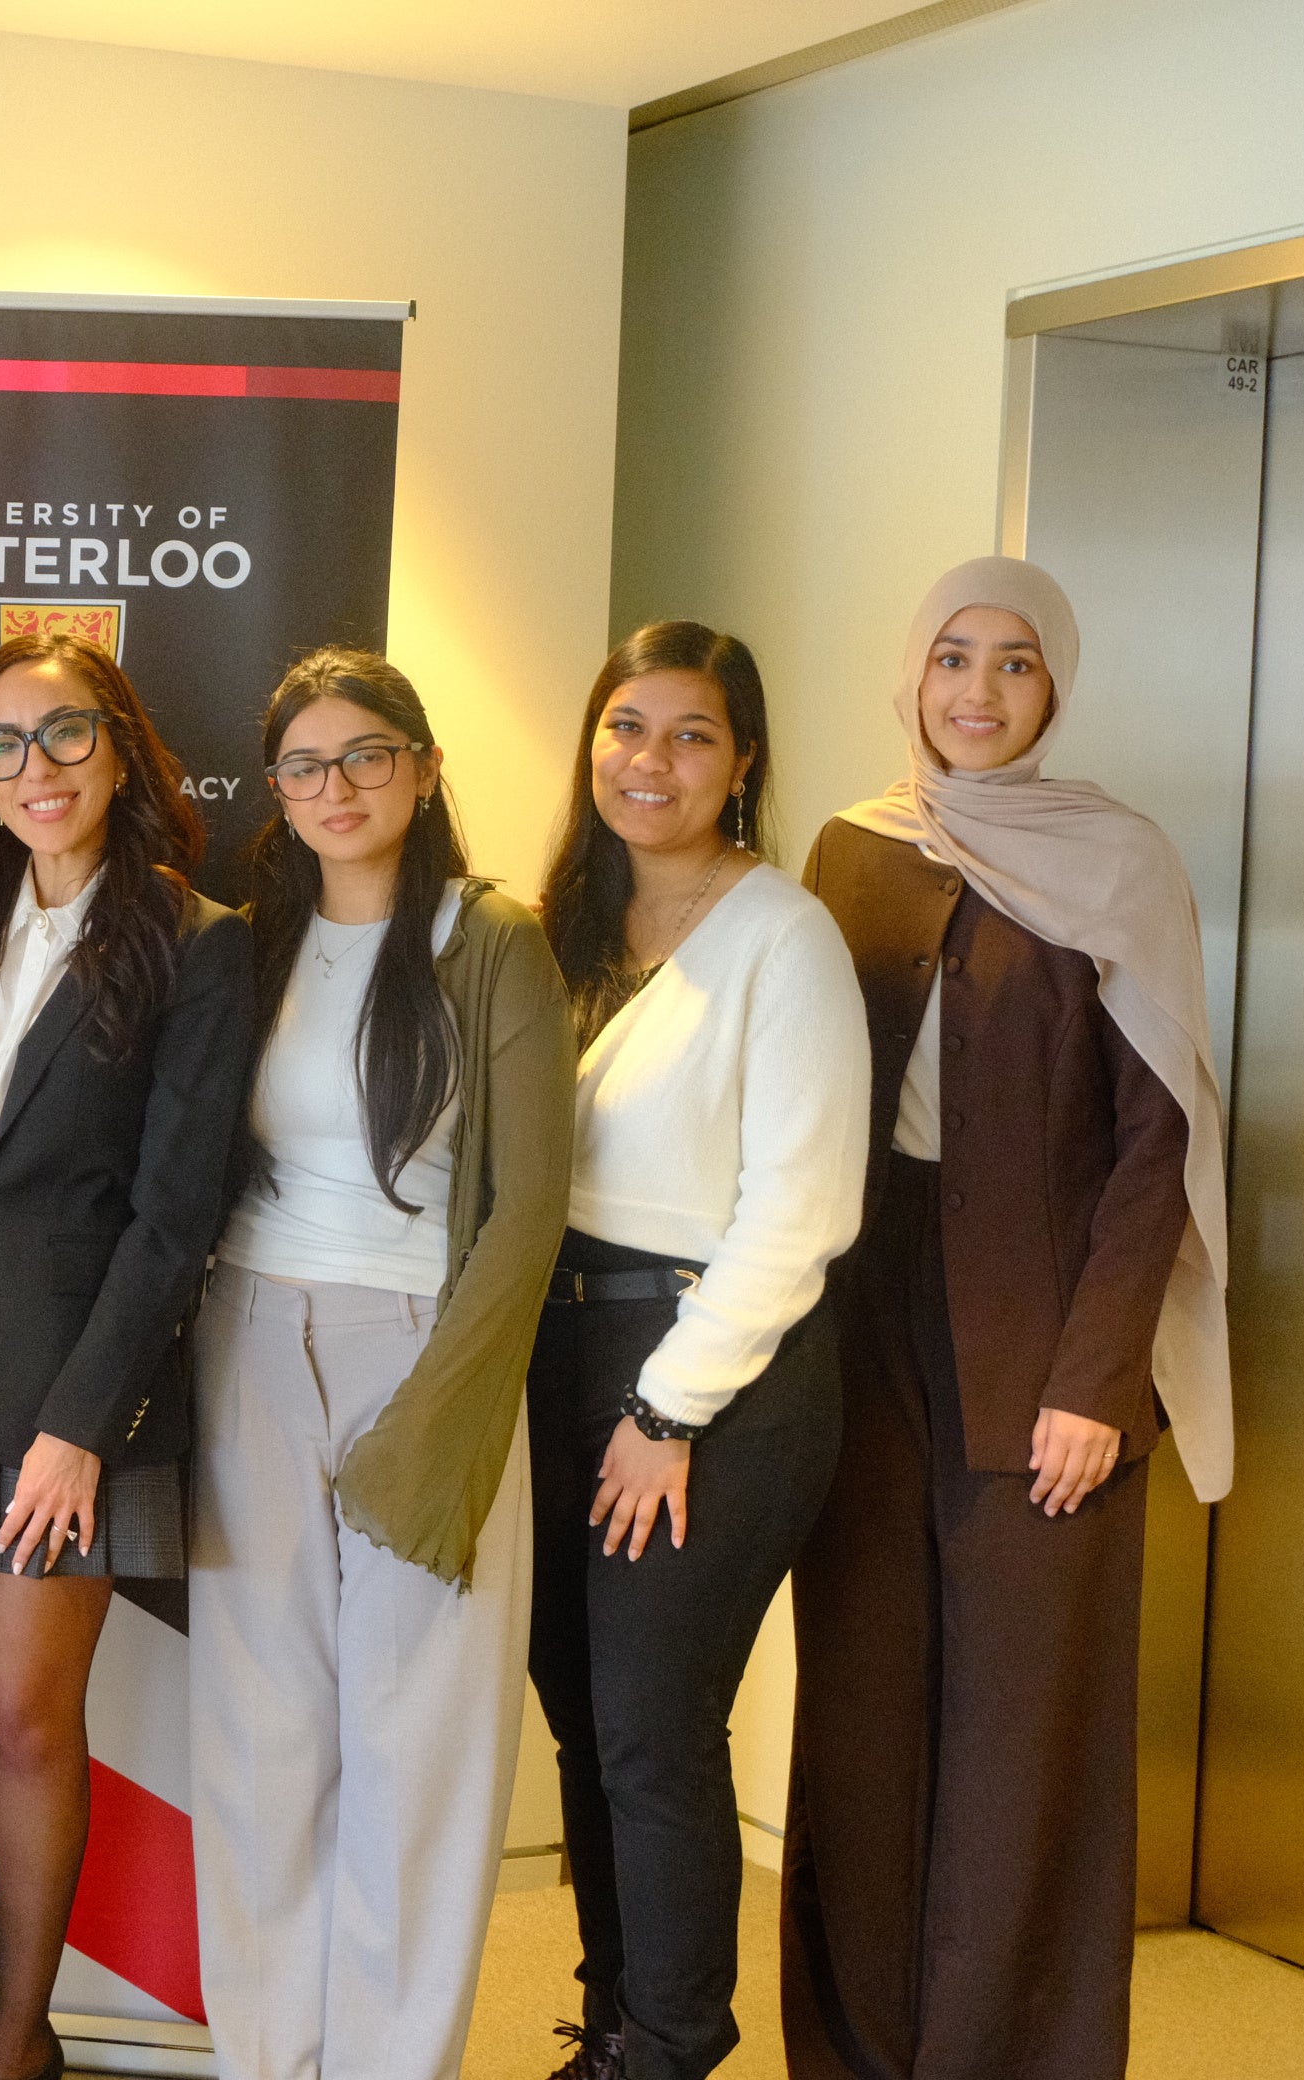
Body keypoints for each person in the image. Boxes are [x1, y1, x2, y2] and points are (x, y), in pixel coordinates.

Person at [781, 558, 1229, 2080]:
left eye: (1017, 663)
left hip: (1049, 1338)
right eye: (953, 657)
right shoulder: (851, 849)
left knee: (1027, 1737)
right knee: (860, 1714)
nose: (977, 691)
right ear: (911, 674)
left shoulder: (1121, 859)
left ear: (1056, 688)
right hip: (855, 1336)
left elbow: (1159, 1143)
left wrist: (1099, 1380)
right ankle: (854, 2052)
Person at [0, 632, 255, 2080]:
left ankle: (21, 2041)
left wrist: (84, 1422)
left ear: (122, 747)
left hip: (77, 1377)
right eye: (2, 745)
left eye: (65, 735)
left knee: (21, 1710)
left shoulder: (200, 941)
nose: (36, 769)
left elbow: (176, 1211)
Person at [188, 649, 575, 2080]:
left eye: (365, 757)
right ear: (275, 792)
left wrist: (435, 1421)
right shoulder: (250, 941)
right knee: (260, 1750)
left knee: (416, 1761)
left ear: (421, 768)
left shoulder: (491, 941)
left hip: (428, 1356)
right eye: (303, 765)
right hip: (250, 1342)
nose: (334, 788)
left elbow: (527, 1208)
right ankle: (268, 2062)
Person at [525, 622, 869, 2080]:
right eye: (626, 727)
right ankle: (616, 2020)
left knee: (654, 1729)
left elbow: (802, 1209)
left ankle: (666, 2048)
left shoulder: (782, 933)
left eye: (689, 735)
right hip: (558, 1357)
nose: (649, 760)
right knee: (581, 1712)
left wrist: (665, 1410)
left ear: (743, 764)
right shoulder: (558, 931)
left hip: (707, 1373)